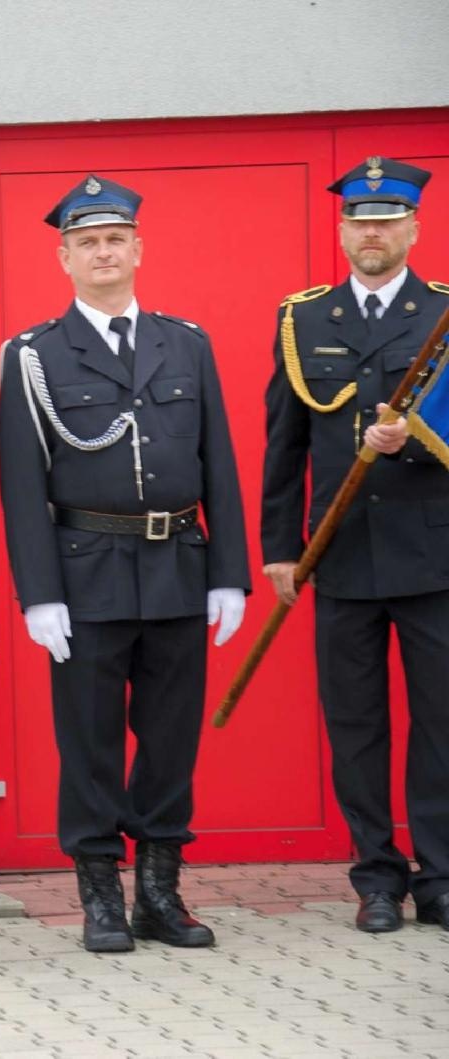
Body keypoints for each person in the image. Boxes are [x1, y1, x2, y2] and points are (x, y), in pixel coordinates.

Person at [0, 175, 250, 953]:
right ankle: (101, 893)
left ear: (138, 248)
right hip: (86, 572)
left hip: (178, 562)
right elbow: (20, 482)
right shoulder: (33, 356)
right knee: (91, 741)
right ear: (63, 257)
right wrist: (39, 593)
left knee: (171, 739)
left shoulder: (186, 342)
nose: (103, 252)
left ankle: (161, 892)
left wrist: (229, 571)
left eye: (115, 239)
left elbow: (219, 467)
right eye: (87, 242)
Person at [261, 157, 449, 934]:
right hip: (338, 552)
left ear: (412, 227)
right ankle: (377, 876)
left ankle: (439, 875)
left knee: (441, 719)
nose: (371, 232)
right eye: (358, 220)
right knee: (356, 721)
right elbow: (285, 440)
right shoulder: (305, 319)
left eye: (386, 219)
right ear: (342, 232)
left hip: (433, 554)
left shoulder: (442, 314)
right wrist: (280, 546)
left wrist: (409, 438)